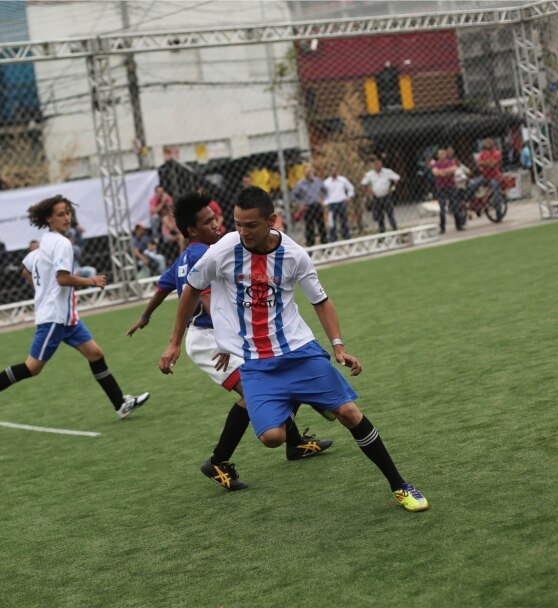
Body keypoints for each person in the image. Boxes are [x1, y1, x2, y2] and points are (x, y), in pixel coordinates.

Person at [158, 187, 427, 511]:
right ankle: (305, 397)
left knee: (349, 413)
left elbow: (321, 301)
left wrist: (338, 347)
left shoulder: (294, 254)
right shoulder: (224, 249)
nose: (242, 232)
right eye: (238, 224)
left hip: (299, 350)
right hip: (256, 361)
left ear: (271, 221)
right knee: (272, 438)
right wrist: (174, 342)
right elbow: (192, 290)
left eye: (251, 225)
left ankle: (400, 486)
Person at [127, 192, 334, 490]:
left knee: (278, 373)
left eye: (215, 218)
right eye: (209, 221)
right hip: (211, 338)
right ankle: (217, 462)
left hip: (217, 336)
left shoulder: (187, 256)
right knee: (259, 392)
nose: (218, 225)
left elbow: (163, 288)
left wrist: (146, 317)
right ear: (192, 231)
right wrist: (224, 340)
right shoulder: (205, 255)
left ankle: (295, 442)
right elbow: (205, 296)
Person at [0, 194, 149, 424]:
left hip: (67, 318)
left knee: (96, 354)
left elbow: (26, 268)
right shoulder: (61, 244)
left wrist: (42, 291)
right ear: (48, 219)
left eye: (68, 213)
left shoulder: (45, 243)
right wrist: (91, 282)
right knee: (32, 367)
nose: (67, 218)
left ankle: (120, 404)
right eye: (60, 214)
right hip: (55, 318)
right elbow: (62, 279)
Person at [360, 156, 400, 233]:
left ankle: (395, 231)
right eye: (376, 164)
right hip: (377, 197)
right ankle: (382, 233)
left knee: (390, 215)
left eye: (379, 164)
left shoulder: (387, 172)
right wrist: (369, 192)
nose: (377, 166)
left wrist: (392, 187)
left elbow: (397, 178)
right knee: (379, 217)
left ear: (381, 164)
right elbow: (363, 183)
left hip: (386, 196)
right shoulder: (370, 174)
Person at [290, 164, 327, 246]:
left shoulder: (318, 181)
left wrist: (323, 200)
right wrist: (300, 203)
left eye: (310, 171)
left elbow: (325, 191)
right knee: (309, 228)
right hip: (307, 207)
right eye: (307, 172)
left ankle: (325, 245)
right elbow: (293, 196)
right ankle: (311, 247)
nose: (308, 173)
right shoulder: (300, 184)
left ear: (312, 171)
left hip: (317, 206)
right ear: (304, 173)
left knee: (321, 226)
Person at [467, 138, 505, 214]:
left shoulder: (497, 153)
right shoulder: (483, 153)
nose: (487, 144)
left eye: (489, 142)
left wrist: (484, 163)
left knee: (495, 192)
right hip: (485, 176)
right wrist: (487, 163)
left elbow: (492, 164)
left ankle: (498, 211)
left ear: (493, 143)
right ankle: (473, 203)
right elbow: (479, 164)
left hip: (495, 176)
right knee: (471, 184)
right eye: (486, 142)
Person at [431, 148, 464, 233]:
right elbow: (436, 172)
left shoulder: (451, 162)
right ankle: (442, 228)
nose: (442, 156)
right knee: (442, 209)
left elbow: (453, 169)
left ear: (446, 155)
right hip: (441, 188)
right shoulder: (436, 164)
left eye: (443, 154)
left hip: (451, 186)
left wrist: (442, 172)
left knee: (455, 207)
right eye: (440, 154)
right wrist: (446, 171)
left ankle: (459, 225)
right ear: (438, 156)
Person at [322, 165, 354, 242]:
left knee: (344, 221)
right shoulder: (326, 182)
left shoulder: (343, 180)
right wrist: (325, 203)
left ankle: (347, 237)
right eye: (332, 170)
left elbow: (350, 188)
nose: (334, 172)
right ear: (330, 172)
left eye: (335, 170)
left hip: (341, 202)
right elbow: (323, 194)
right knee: (332, 223)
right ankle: (333, 239)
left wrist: (349, 196)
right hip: (331, 204)